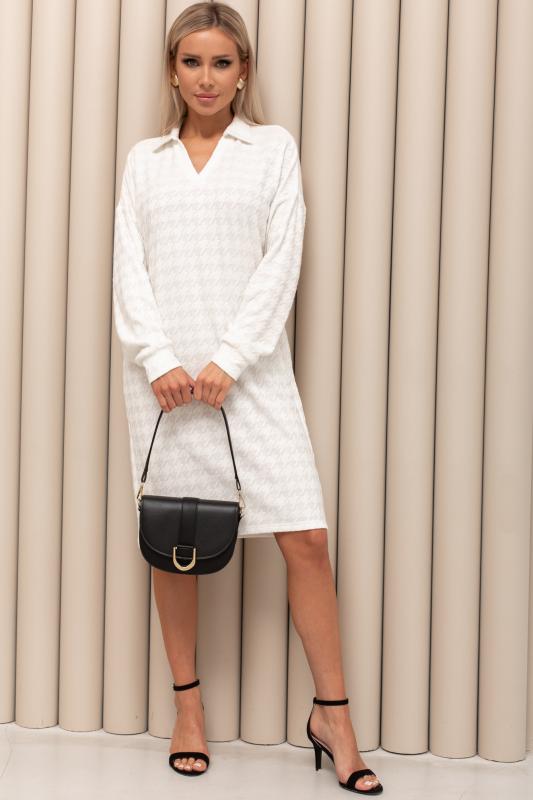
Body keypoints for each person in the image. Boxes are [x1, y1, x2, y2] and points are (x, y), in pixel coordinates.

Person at [112, 1, 383, 795]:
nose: (206, 78)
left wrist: (230, 358)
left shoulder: (270, 150)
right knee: (175, 540)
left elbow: (281, 260)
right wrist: (159, 357)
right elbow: (128, 263)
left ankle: (333, 717)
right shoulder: (145, 160)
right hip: (163, 381)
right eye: (191, 62)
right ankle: (188, 710)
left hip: (252, 371)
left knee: (305, 537)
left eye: (221, 63)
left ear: (243, 72)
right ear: (172, 71)